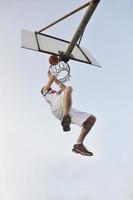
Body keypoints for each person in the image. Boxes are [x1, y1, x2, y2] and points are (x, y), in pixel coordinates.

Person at [41, 72, 96, 156]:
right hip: (57, 107)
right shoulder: (45, 92)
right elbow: (52, 80)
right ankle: (66, 117)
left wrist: (55, 80)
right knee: (69, 89)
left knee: (91, 119)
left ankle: (78, 144)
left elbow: (63, 87)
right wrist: (51, 75)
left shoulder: (56, 94)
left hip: (63, 108)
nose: (49, 87)